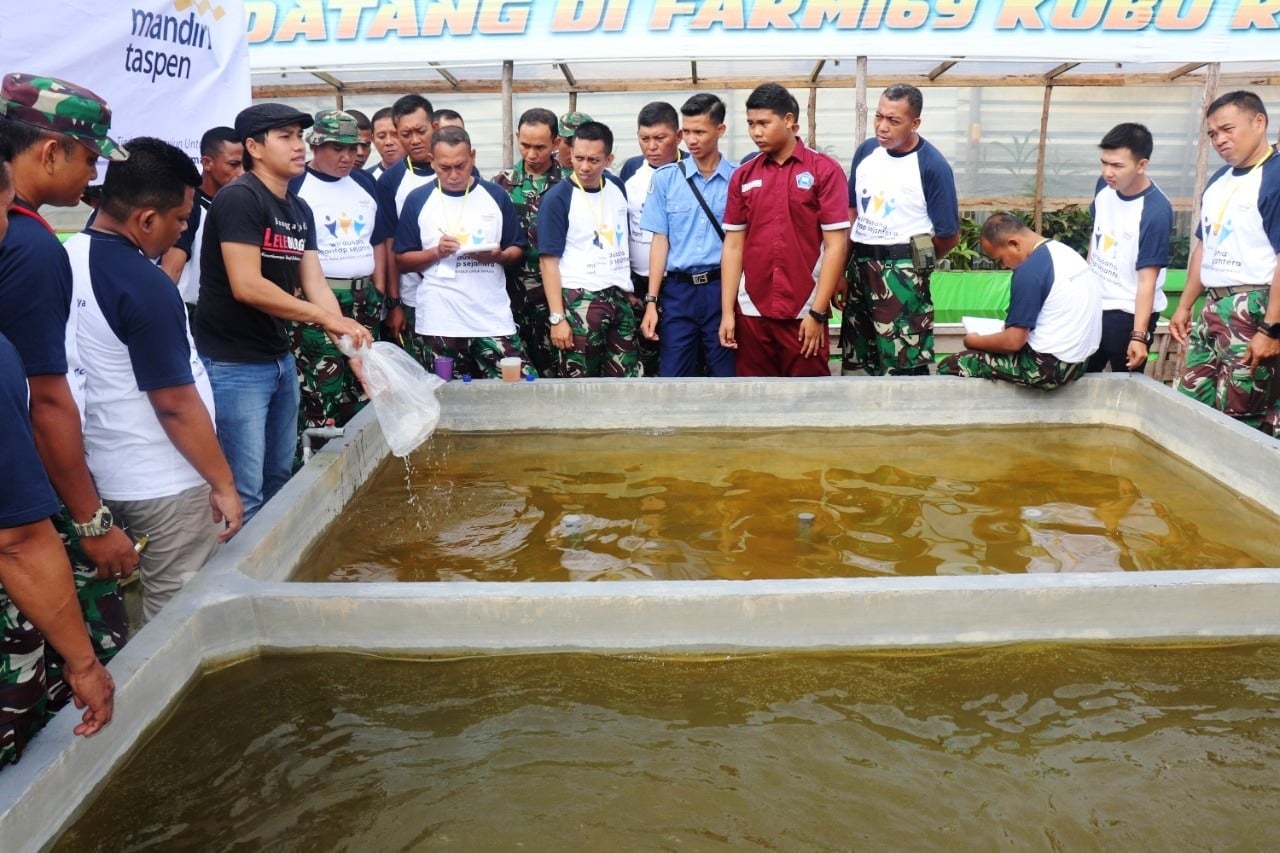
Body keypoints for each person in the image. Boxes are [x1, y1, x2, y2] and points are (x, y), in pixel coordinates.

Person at [63, 137, 242, 622]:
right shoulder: (145, 284)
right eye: (181, 219)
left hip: (102, 471)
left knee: (119, 612)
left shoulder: (65, 258)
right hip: (164, 481)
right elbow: (174, 403)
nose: (183, 228)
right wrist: (223, 482)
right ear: (146, 218)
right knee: (180, 618)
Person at [0, 73, 136, 711]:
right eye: (87, 158)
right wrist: (90, 518)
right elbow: (45, 400)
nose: (92, 176)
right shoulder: (29, 246)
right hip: (23, 505)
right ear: (49, 152)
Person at [194, 103, 372, 522]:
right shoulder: (240, 198)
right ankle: (237, 582)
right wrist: (326, 319)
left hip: (277, 357)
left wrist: (354, 352)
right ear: (253, 146)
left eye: (299, 136)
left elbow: (315, 284)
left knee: (280, 477)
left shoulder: (297, 208)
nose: (299, 146)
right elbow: (248, 285)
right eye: (286, 137)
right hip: (234, 363)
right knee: (246, 489)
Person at [719, 82, 849, 377]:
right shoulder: (743, 176)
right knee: (755, 400)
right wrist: (728, 313)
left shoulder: (824, 171)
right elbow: (733, 246)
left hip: (803, 310)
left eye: (764, 123)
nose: (756, 132)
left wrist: (817, 312)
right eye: (751, 124)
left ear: (789, 120)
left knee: (809, 401)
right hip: (751, 309)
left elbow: (836, 246)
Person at [1170, 91, 1280, 435]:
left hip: (1254, 306)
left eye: (1227, 129)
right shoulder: (1219, 180)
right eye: (1212, 134)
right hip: (1213, 305)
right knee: (1192, 400)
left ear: (1259, 122)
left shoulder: (1274, 177)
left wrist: (1270, 329)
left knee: (1242, 412)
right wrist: (1185, 305)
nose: (1219, 139)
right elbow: (1205, 245)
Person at [288, 109, 388, 454]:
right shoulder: (296, 185)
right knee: (322, 388)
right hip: (320, 300)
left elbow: (379, 242)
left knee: (365, 387)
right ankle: (312, 471)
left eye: (354, 148)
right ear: (316, 146)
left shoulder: (365, 183)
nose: (348, 157)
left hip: (365, 297)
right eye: (337, 149)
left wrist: (383, 293)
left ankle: (361, 462)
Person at [394, 126, 530, 378]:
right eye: (445, 167)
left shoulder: (495, 194)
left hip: (491, 316)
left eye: (461, 165)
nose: (454, 175)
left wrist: (497, 256)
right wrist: (436, 252)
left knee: (515, 386)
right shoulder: (418, 199)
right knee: (445, 397)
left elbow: (517, 249)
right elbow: (402, 261)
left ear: (473, 156)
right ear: (432, 161)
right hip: (440, 319)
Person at [843, 83, 959, 376]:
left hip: (901, 273)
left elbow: (948, 235)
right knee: (858, 357)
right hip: (860, 266)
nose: (882, 127)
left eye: (893, 121)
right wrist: (843, 272)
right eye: (878, 117)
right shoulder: (867, 152)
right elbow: (852, 211)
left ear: (915, 122)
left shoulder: (932, 166)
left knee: (903, 364)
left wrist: (910, 267)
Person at [937, 212, 1100, 389]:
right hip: (1079, 363)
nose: (1003, 266)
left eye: (1000, 259)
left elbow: (1013, 342)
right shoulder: (1066, 253)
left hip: (1046, 368)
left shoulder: (1030, 270)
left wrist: (972, 341)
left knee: (951, 364)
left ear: (1013, 244)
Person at [639, 92, 737, 377]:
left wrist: (731, 307)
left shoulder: (737, 179)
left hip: (721, 288)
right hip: (678, 292)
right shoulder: (666, 178)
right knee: (673, 376)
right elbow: (660, 242)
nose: (691, 140)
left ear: (720, 130)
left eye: (700, 131)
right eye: (687, 132)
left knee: (726, 374)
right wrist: (652, 303)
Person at [539, 120, 639, 377]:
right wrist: (558, 318)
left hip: (618, 298)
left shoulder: (616, 187)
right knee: (580, 381)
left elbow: (620, 240)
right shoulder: (557, 198)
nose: (584, 167)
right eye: (579, 158)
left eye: (594, 160)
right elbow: (548, 262)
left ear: (609, 159)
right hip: (579, 300)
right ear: (569, 154)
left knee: (624, 378)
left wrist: (625, 289)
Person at [1085, 123, 1173, 373]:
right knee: (1081, 381)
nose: (1107, 172)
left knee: (1125, 388)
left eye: (1117, 166)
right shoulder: (1105, 188)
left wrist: (1138, 335)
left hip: (1128, 314)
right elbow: (1097, 236)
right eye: (1104, 163)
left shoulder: (1155, 210)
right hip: (1095, 306)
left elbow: (1148, 280)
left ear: (1142, 165)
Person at [492, 107, 565, 378]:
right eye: (525, 145)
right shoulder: (500, 184)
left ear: (556, 143)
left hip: (556, 293)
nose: (531, 155)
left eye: (540, 147)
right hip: (512, 293)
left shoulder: (570, 185)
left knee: (557, 366)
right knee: (518, 368)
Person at [619, 101, 682, 376]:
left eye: (660, 138)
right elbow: (619, 231)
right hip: (639, 282)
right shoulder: (630, 175)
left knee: (679, 352)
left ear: (678, 136)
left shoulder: (690, 172)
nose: (652, 146)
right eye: (645, 139)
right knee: (645, 354)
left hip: (677, 282)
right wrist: (627, 286)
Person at [376, 94, 437, 363]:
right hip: (414, 297)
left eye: (420, 131)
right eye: (406, 133)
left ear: (434, 126)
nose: (414, 140)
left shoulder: (460, 171)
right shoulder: (391, 181)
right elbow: (388, 246)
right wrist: (394, 303)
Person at [159, 126, 243, 311]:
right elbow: (170, 271)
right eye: (233, 164)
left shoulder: (241, 204)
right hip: (189, 313)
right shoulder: (189, 204)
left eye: (246, 165)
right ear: (207, 163)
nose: (241, 172)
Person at [367, 106, 403, 181]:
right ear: (373, 140)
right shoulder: (367, 179)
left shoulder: (430, 174)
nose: (388, 142)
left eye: (395, 135)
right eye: (381, 136)